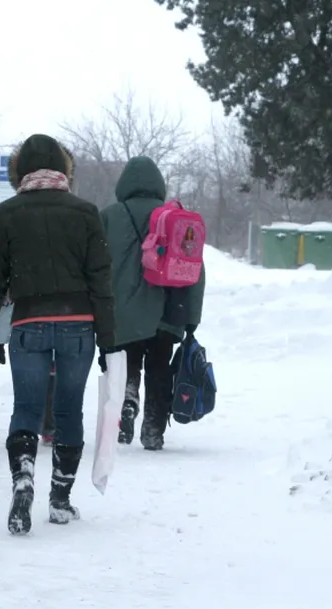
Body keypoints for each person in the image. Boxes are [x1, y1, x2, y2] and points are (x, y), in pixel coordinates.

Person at [0, 133, 115, 536]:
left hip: (28, 323)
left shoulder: (7, 213)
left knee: (27, 408)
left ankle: (23, 477)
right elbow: (101, 280)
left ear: (21, 171)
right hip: (78, 325)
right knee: (69, 410)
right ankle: (60, 499)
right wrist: (109, 337)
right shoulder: (86, 213)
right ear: (63, 169)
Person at [99, 156, 205, 450]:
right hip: (168, 310)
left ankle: (128, 401)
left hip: (124, 312)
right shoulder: (176, 217)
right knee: (159, 371)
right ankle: (153, 429)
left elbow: (94, 265)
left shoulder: (109, 216)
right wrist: (191, 317)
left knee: (129, 363)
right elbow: (196, 268)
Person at [0, 295, 56, 446]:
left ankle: (25, 432)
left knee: (28, 389)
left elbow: (9, 304)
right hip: (65, 330)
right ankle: (51, 427)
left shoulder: (23, 272)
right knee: (54, 384)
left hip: (28, 332)